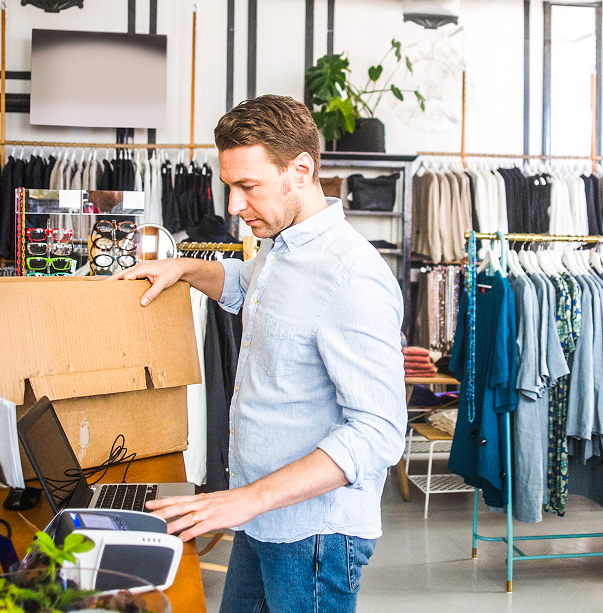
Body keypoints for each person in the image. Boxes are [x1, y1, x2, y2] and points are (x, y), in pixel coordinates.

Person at [112, 94, 406, 612]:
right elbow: (247, 286)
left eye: (248, 187)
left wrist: (244, 499)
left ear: (301, 170)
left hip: (312, 537)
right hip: (256, 514)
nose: (233, 206)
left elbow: (379, 432)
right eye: (229, 186)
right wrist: (183, 267)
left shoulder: (351, 276)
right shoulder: (280, 242)